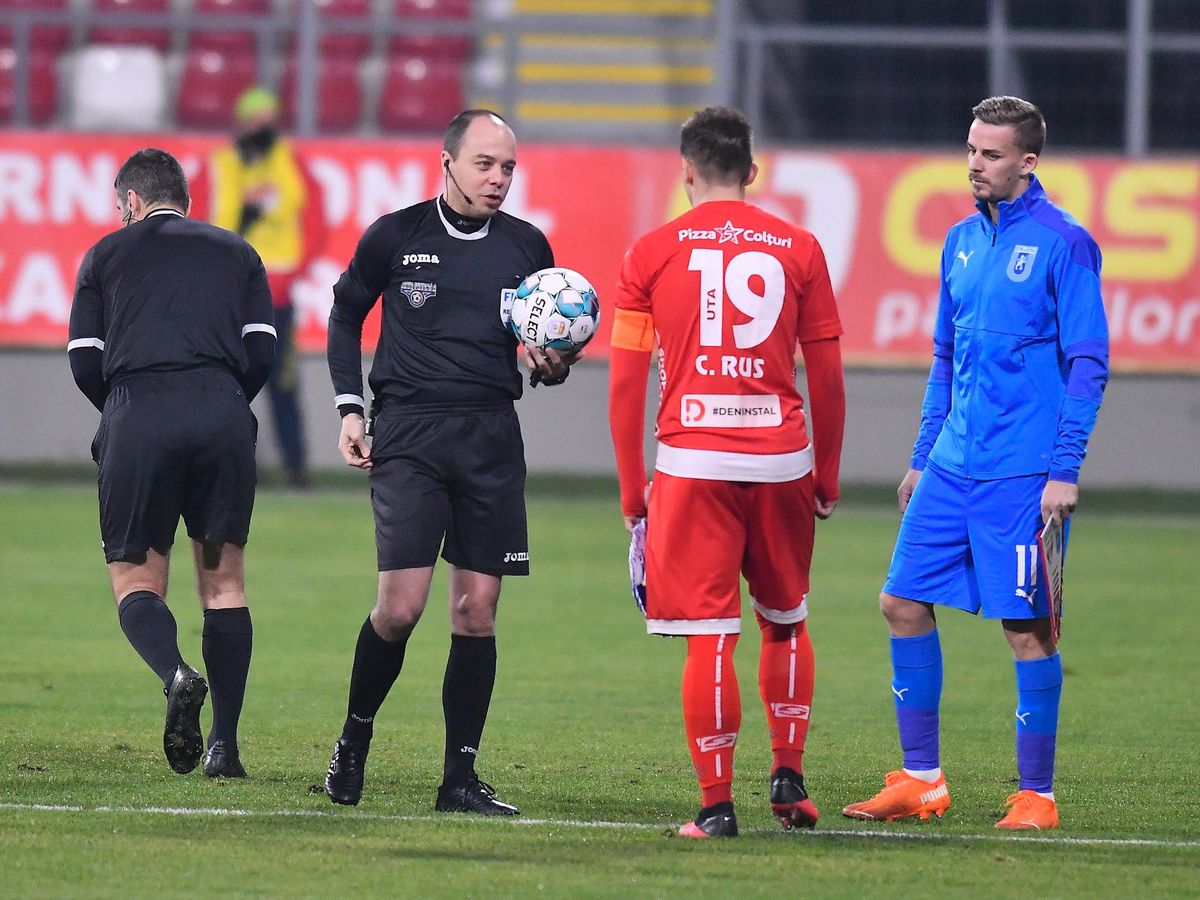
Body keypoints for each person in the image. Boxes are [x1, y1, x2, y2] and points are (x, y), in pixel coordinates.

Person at [841, 96, 1108, 831]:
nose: (973, 164)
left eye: (990, 154)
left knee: (1025, 630)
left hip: (1021, 473)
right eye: (969, 149)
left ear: (1028, 162)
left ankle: (1037, 796)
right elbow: (946, 358)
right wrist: (923, 456)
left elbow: (1088, 363)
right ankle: (921, 779)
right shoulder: (959, 240)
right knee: (899, 602)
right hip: (953, 465)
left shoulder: (1065, 243)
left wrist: (1064, 468)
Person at [322, 109, 573, 814]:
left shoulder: (529, 248)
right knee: (400, 609)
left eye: (508, 168)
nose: (498, 179)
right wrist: (350, 406)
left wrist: (550, 364)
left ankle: (459, 779)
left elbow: (539, 351)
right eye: (486, 164)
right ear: (448, 163)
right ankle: (355, 736)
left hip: (491, 437)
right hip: (408, 434)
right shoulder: (397, 236)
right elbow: (345, 315)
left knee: (477, 609)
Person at [608, 106, 846, 838]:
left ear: (685, 171)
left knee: (712, 636)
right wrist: (827, 473)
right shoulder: (799, 247)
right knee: (786, 617)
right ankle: (789, 775)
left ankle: (716, 806)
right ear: (752, 170)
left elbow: (625, 384)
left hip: (692, 461)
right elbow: (828, 376)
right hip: (782, 459)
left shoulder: (651, 252)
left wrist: (631, 486)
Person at [67, 148, 276, 778]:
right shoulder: (237, 251)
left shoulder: (105, 254)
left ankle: (176, 673)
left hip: (140, 415)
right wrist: (224, 402)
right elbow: (262, 349)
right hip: (219, 411)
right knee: (224, 583)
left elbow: (84, 359)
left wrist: (128, 415)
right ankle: (226, 748)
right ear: (184, 199)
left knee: (136, 581)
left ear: (131, 201)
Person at [191, 86, 326, 488]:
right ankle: (215, 467)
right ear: (241, 122)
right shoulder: (217, 168)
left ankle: (296, 469)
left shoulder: (293, 166)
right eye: (256, 119)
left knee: (283, 385)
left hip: (276, 299)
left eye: (271, 118)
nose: (264, 127)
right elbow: (193, 225)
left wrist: (291, 275)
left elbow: (315, 225)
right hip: (224, 300)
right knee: (220, 386)